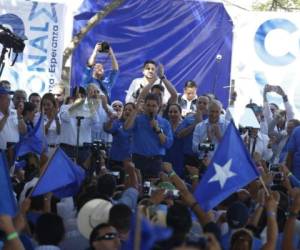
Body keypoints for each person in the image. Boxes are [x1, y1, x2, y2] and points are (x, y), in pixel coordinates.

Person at [124, 93, 173, 179]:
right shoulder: (137, 119)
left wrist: (157, 129)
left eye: (154, 106)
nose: (151, 108)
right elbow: (126, 128)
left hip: (155, 161)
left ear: (158, 107)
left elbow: (167, 144)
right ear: (144, 106)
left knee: (153, 188)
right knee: (137, 186)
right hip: (138, 159)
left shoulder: (165, 123)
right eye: (148, 105)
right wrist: (135, 111)